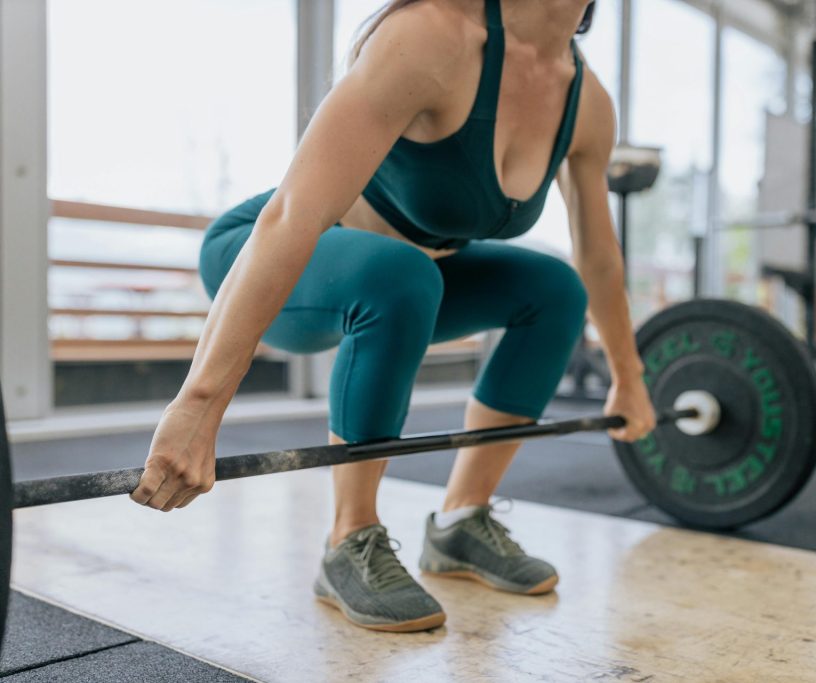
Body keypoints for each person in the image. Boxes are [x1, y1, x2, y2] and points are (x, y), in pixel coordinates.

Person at [130, 0, 656, 633]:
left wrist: (629, 375)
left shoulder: (586, 100)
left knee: (554, 290)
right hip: (272, 256)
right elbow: (293, 214)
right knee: (403, 275)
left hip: (410, 279)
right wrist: (200, 403)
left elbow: (598, 257)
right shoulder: (431, 35)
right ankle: (349, 539)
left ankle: (463, 521)